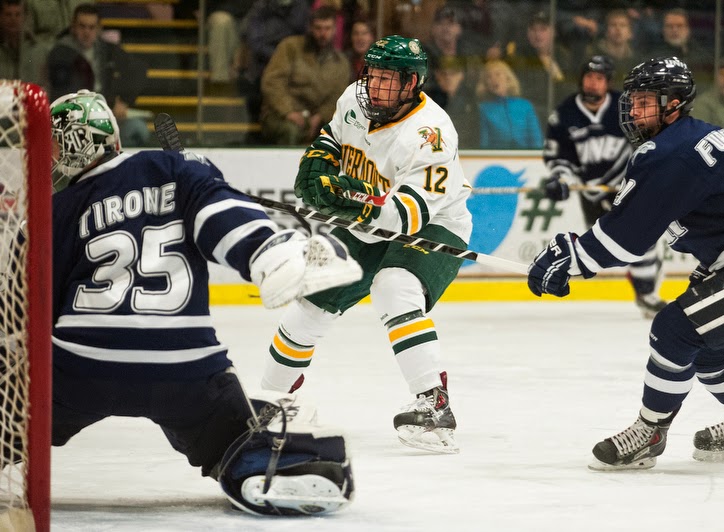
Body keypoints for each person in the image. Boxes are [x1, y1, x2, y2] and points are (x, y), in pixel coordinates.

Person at [47, 90, 362, 513]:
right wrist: (263, 247)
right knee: (234, 439)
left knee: (13, 421)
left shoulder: (59, 207)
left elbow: (33, 305)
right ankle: (266, 467)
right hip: (184, 364)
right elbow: (220, 217)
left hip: (81, 365)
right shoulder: (176, 171)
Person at [527, 56, 724, 470]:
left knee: (675, 330)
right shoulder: (693, 137)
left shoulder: (669, 152)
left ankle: (650, 432)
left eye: (644, 102)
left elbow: (626, 237)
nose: (633, 111)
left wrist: (572, 257)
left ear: (673, 103)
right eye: (632, 101)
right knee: (708, 347)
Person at [260, 35, 472, 454]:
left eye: (387, 78)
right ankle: (268, 402)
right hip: (368, 222)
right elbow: (332, 137)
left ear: (411, 83)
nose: (374, 85)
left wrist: (345, 196)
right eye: (372, 74)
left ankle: (434, 404)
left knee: (394, 286)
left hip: (433, 225)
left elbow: (406, 217)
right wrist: (319, 161)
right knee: (309, 302)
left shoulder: (431, 134)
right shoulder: (353, 101)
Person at [542, 55, 666, 318]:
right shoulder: (564, 114)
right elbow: (560, 157)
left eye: (599, 78)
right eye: (589, 77)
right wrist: (561, 180)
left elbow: (649, 143)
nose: (593, 83)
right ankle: (642, 283)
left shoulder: (627, 107)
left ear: (607, 82)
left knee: (644, 239)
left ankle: (647, 293)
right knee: (613, 243)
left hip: (629, 190)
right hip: (592, 197)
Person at [46, 3, 150, 146]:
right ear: (73, 27)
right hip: (74, 123)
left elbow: (138, 69)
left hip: (106, 117)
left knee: (138, 129)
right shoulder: (61, 53)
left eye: (92, 27)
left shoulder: (107, 50)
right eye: (82, 26)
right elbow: (62, 95)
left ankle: (108, 155)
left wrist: (124, 100)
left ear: (99, 29)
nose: (87, 32)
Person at [259, 6, 350, 145]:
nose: (323, 33)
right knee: (291, 131)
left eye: (327, 28)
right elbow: (272, 82)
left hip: (319, 117)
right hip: (280, 114)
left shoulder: (341, 62)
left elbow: (338, 96)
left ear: (334, 30)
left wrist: (320, 117)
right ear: (310, 28)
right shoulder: (290, 47)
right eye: (318, 28)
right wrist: (288, 112)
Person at [476, 58, 543, 149]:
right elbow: (484, 144)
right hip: (497, 156)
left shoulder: (525, 106)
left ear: (508, 78)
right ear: (485, 84)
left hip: (525, 156)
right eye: (489, 77)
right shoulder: (484, 109)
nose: (493, 79)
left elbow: (536, 141)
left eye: (498, 74)